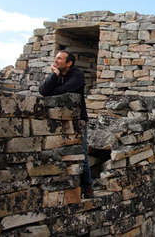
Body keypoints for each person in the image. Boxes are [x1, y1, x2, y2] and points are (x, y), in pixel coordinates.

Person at [38, 49, 94, 198]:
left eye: (60, 59)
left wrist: (53, 88)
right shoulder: (57, 75)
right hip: (56, 120)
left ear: (69, 63)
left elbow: (64, 92)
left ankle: (87, 187)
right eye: (56, 58)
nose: (56, 61)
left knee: (81, 154)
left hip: (78, 120)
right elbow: (43, 91)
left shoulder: (77, 75)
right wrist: (54, 75)